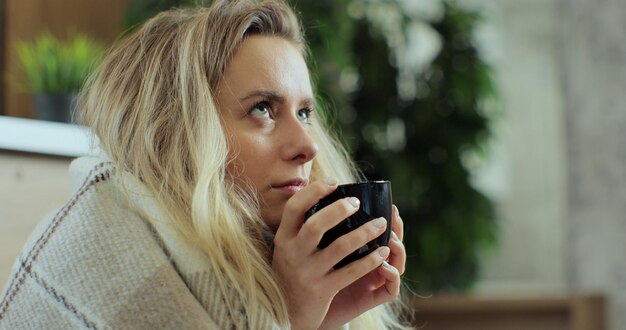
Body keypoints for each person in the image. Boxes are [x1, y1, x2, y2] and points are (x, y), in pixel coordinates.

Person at [0, 0, 409, 329]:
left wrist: (321, 318)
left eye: (304, 113)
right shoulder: (114, 261)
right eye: (263, 109)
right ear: (176, 130)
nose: (308, 146)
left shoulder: (260, 258)